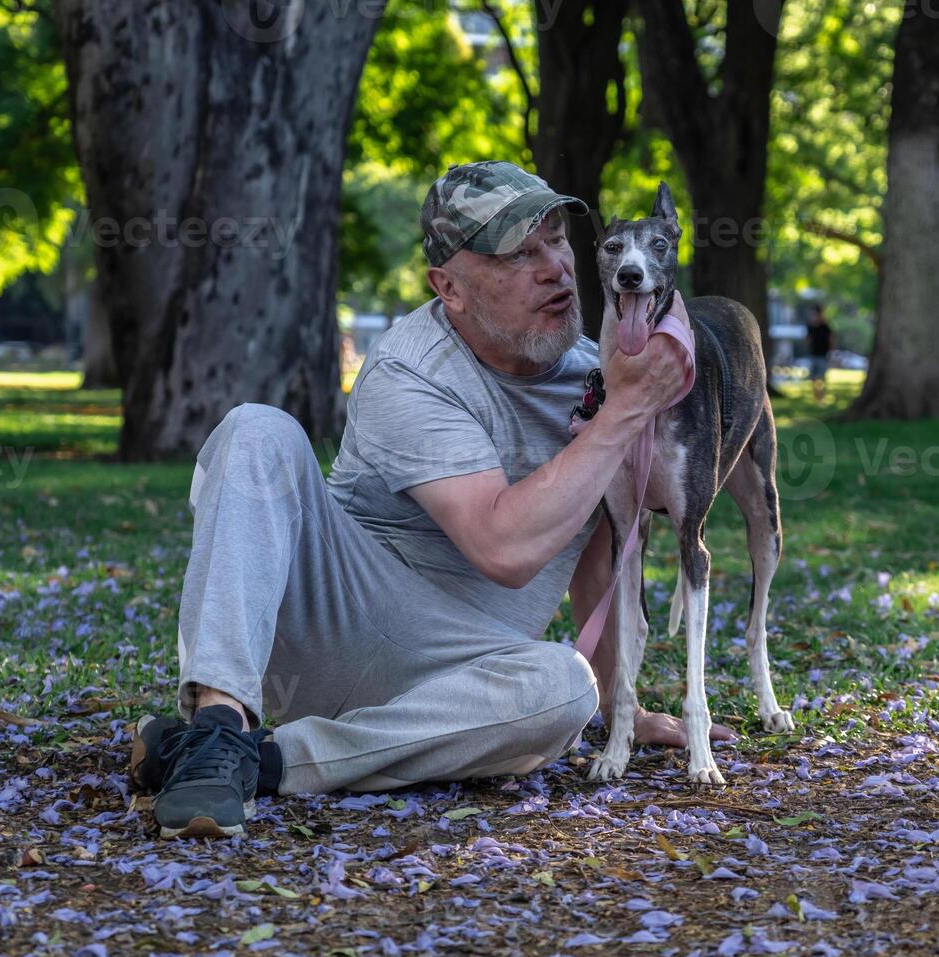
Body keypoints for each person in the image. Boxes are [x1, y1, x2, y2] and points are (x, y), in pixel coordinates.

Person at [130, 161, 734, 838]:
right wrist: (621, 415)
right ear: (449, 287)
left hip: (463, 676)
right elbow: (502, 547)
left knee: (564, 690)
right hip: (337, 623)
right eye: (518, 254)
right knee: (256, 431)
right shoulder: (410, 371)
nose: (555, 269)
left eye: (558, 240)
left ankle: (263, 762)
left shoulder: (600, 376)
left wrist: (620, 702)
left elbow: (604, 549)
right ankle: (219, 724)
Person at [805, 303, 833, 403]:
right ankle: (816, 397)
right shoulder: (810, 327)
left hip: (823, 355)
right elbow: (807, 340)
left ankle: (821, 397)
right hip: (813, 354)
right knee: (813, 378)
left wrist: (831, 351)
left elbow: (831, 340)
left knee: (821, 377)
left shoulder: (825, 326)